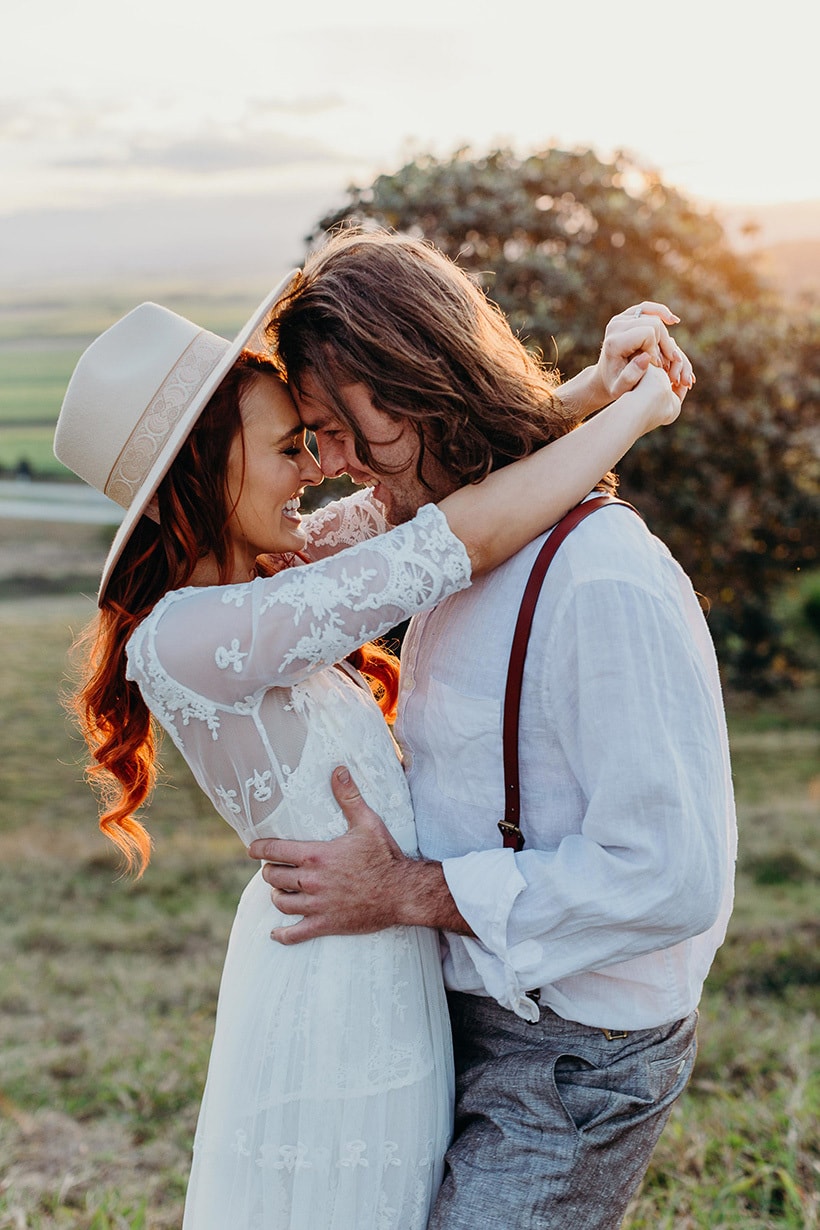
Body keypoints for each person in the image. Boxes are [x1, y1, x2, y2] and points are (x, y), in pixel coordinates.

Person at [54, 272, 683, 1230]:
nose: (314, 470)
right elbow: (457, 537)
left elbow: (436, 490)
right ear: (204, 472)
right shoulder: (187, 636)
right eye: (284, 448)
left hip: (392, 964)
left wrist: (590, 391)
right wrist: (634, 417)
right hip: (333, 985)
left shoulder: (279, 576)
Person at [250, 228, 737, 1229]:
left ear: (420, 384)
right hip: (466, 1010)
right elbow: (305, 561)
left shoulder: (603, 580)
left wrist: (403, 892)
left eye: (341, 429)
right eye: (312, 436)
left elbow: (670, 874)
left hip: (575, 1056)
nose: (334, 470)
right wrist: (594, 393)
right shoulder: (444, 539)